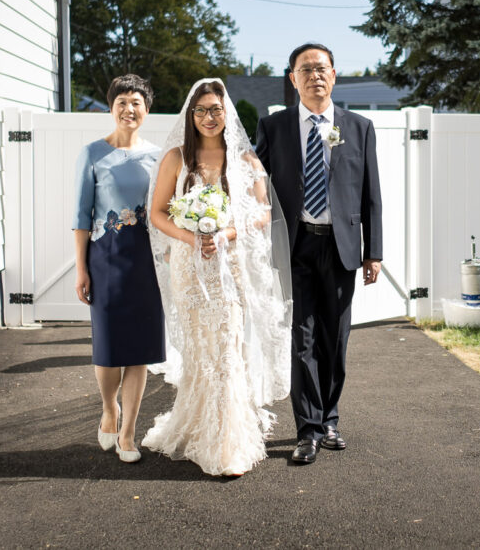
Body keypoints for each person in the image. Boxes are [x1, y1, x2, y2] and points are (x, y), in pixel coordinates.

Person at [142, 78, 291, 477]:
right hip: (190, 269)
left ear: (228, 114)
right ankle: (195, 426)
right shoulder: (176, 158)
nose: (209, 117)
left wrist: (225, 234)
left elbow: (262, 213)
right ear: (191, 116)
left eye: (216, 110)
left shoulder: (245, 160)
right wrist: (191, 237)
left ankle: (227, 443)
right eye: (202, 110)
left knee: (227, 347)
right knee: (199, 349)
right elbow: (157, 213)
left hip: (230, 266)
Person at [255, 43, 382, 465]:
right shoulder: (273, 128)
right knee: (301, 338)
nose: (315, 75)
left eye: (321, 68)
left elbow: (371, 196)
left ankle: (330, 417)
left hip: (342, 247)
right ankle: (307, 429)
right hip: (295, 246)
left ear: (334, 74)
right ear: (292, 79)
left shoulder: (359, 127)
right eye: (305, 69)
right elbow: (255, 187)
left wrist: (374, 251)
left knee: (335, 338)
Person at [72, 74, 166, 464]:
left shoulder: (160, 156)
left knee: (139, 350)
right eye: (122, 103)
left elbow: (165, 210)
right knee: (109, 349)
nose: (130, 109)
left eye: (137, 103)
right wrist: (82, 269)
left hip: (146, 261)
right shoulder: (93, 153)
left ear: (147, 109)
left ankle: (129, 434)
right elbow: (81, 215)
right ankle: (110, 409)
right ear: (112, 108)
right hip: (105, 258)